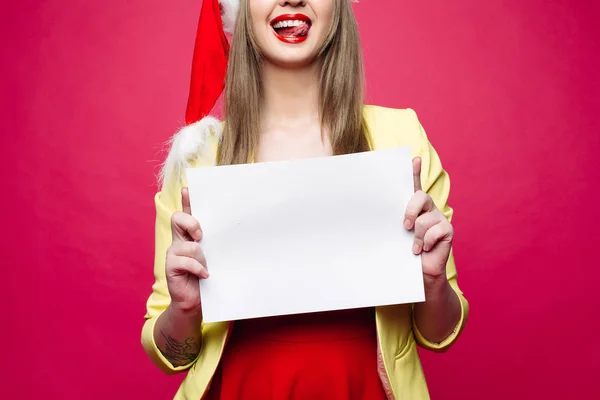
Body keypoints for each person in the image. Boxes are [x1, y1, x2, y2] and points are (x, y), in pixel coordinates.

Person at [141, 0, 469, 399]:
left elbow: (439, 335)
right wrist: (185, 308)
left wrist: (433, 281)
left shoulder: (401, 137)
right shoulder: (198, 157)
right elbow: (170, 355)